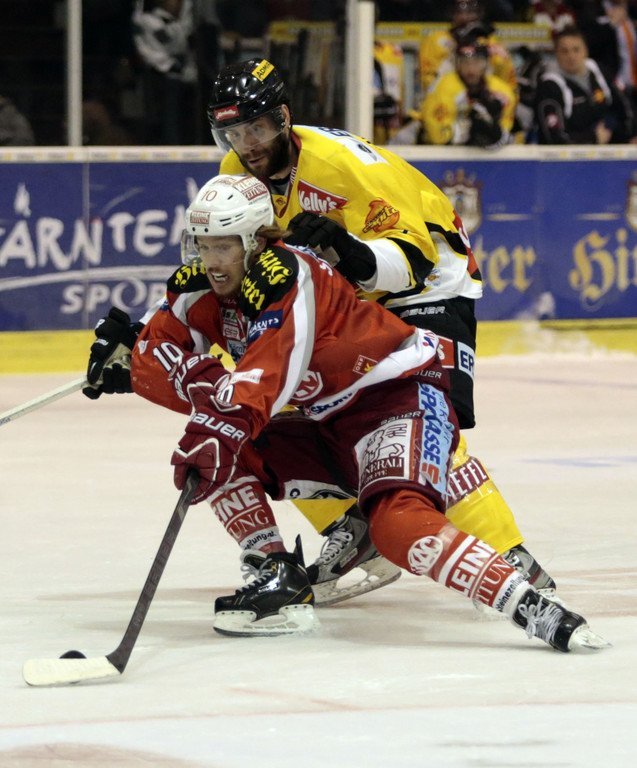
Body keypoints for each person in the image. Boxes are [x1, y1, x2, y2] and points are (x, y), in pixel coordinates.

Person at [84, 56, 554, 608]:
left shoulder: (340, 166)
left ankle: (508, 553)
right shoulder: (237, 171)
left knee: (426, 415)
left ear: (283, 118)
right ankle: (354, 525)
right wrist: (147, 335)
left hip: (428, 284)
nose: (246, 145)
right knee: (297, 401)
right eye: (233, 133)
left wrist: (348, 250)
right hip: (347, 296)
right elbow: (233, 266)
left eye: (257, 128)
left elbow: (416, 259)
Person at [129, 172, 609, 654]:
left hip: (396, 402)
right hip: (325, 423)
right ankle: (276, 575)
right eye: (203, 245)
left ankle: (530, 604)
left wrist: (216, 412)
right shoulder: (201, 286)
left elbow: (271, 368)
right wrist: (194, 383)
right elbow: (151, 354)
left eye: (224, 246)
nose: (212, 261)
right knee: (221, 449)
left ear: (255, 240)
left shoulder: (288, 272)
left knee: (399, 526)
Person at [534, 25, 636, 143]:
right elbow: (553, 137)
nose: (571, 56)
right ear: (556, 54)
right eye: (564, 51)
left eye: (576, 50)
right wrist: (593, 138)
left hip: (611, 145)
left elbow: (625, 106)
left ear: (585, 51)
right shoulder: (549, 86)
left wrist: (633, 134)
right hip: (570, 152)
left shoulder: (599, 71)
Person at [419, 38, 516, 146]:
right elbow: (437, 136)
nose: (471, 69)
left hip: (487, 152)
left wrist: (492, 130)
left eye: (477, 62)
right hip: (442, 152)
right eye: (465, 62)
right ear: (457, 64)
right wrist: (469, 130)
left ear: (486, 63)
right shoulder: (443, 87)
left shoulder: (502, 91)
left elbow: (505, 132)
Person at [418, 0, 517, 98]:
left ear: (479, 12)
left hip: (484, 98)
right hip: (446, 98)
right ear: (451, 12)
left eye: (470, 11)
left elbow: (508, 85)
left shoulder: (491, 43)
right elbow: (427, 80)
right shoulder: (436, 41)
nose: (464, 16)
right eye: (459, 11)